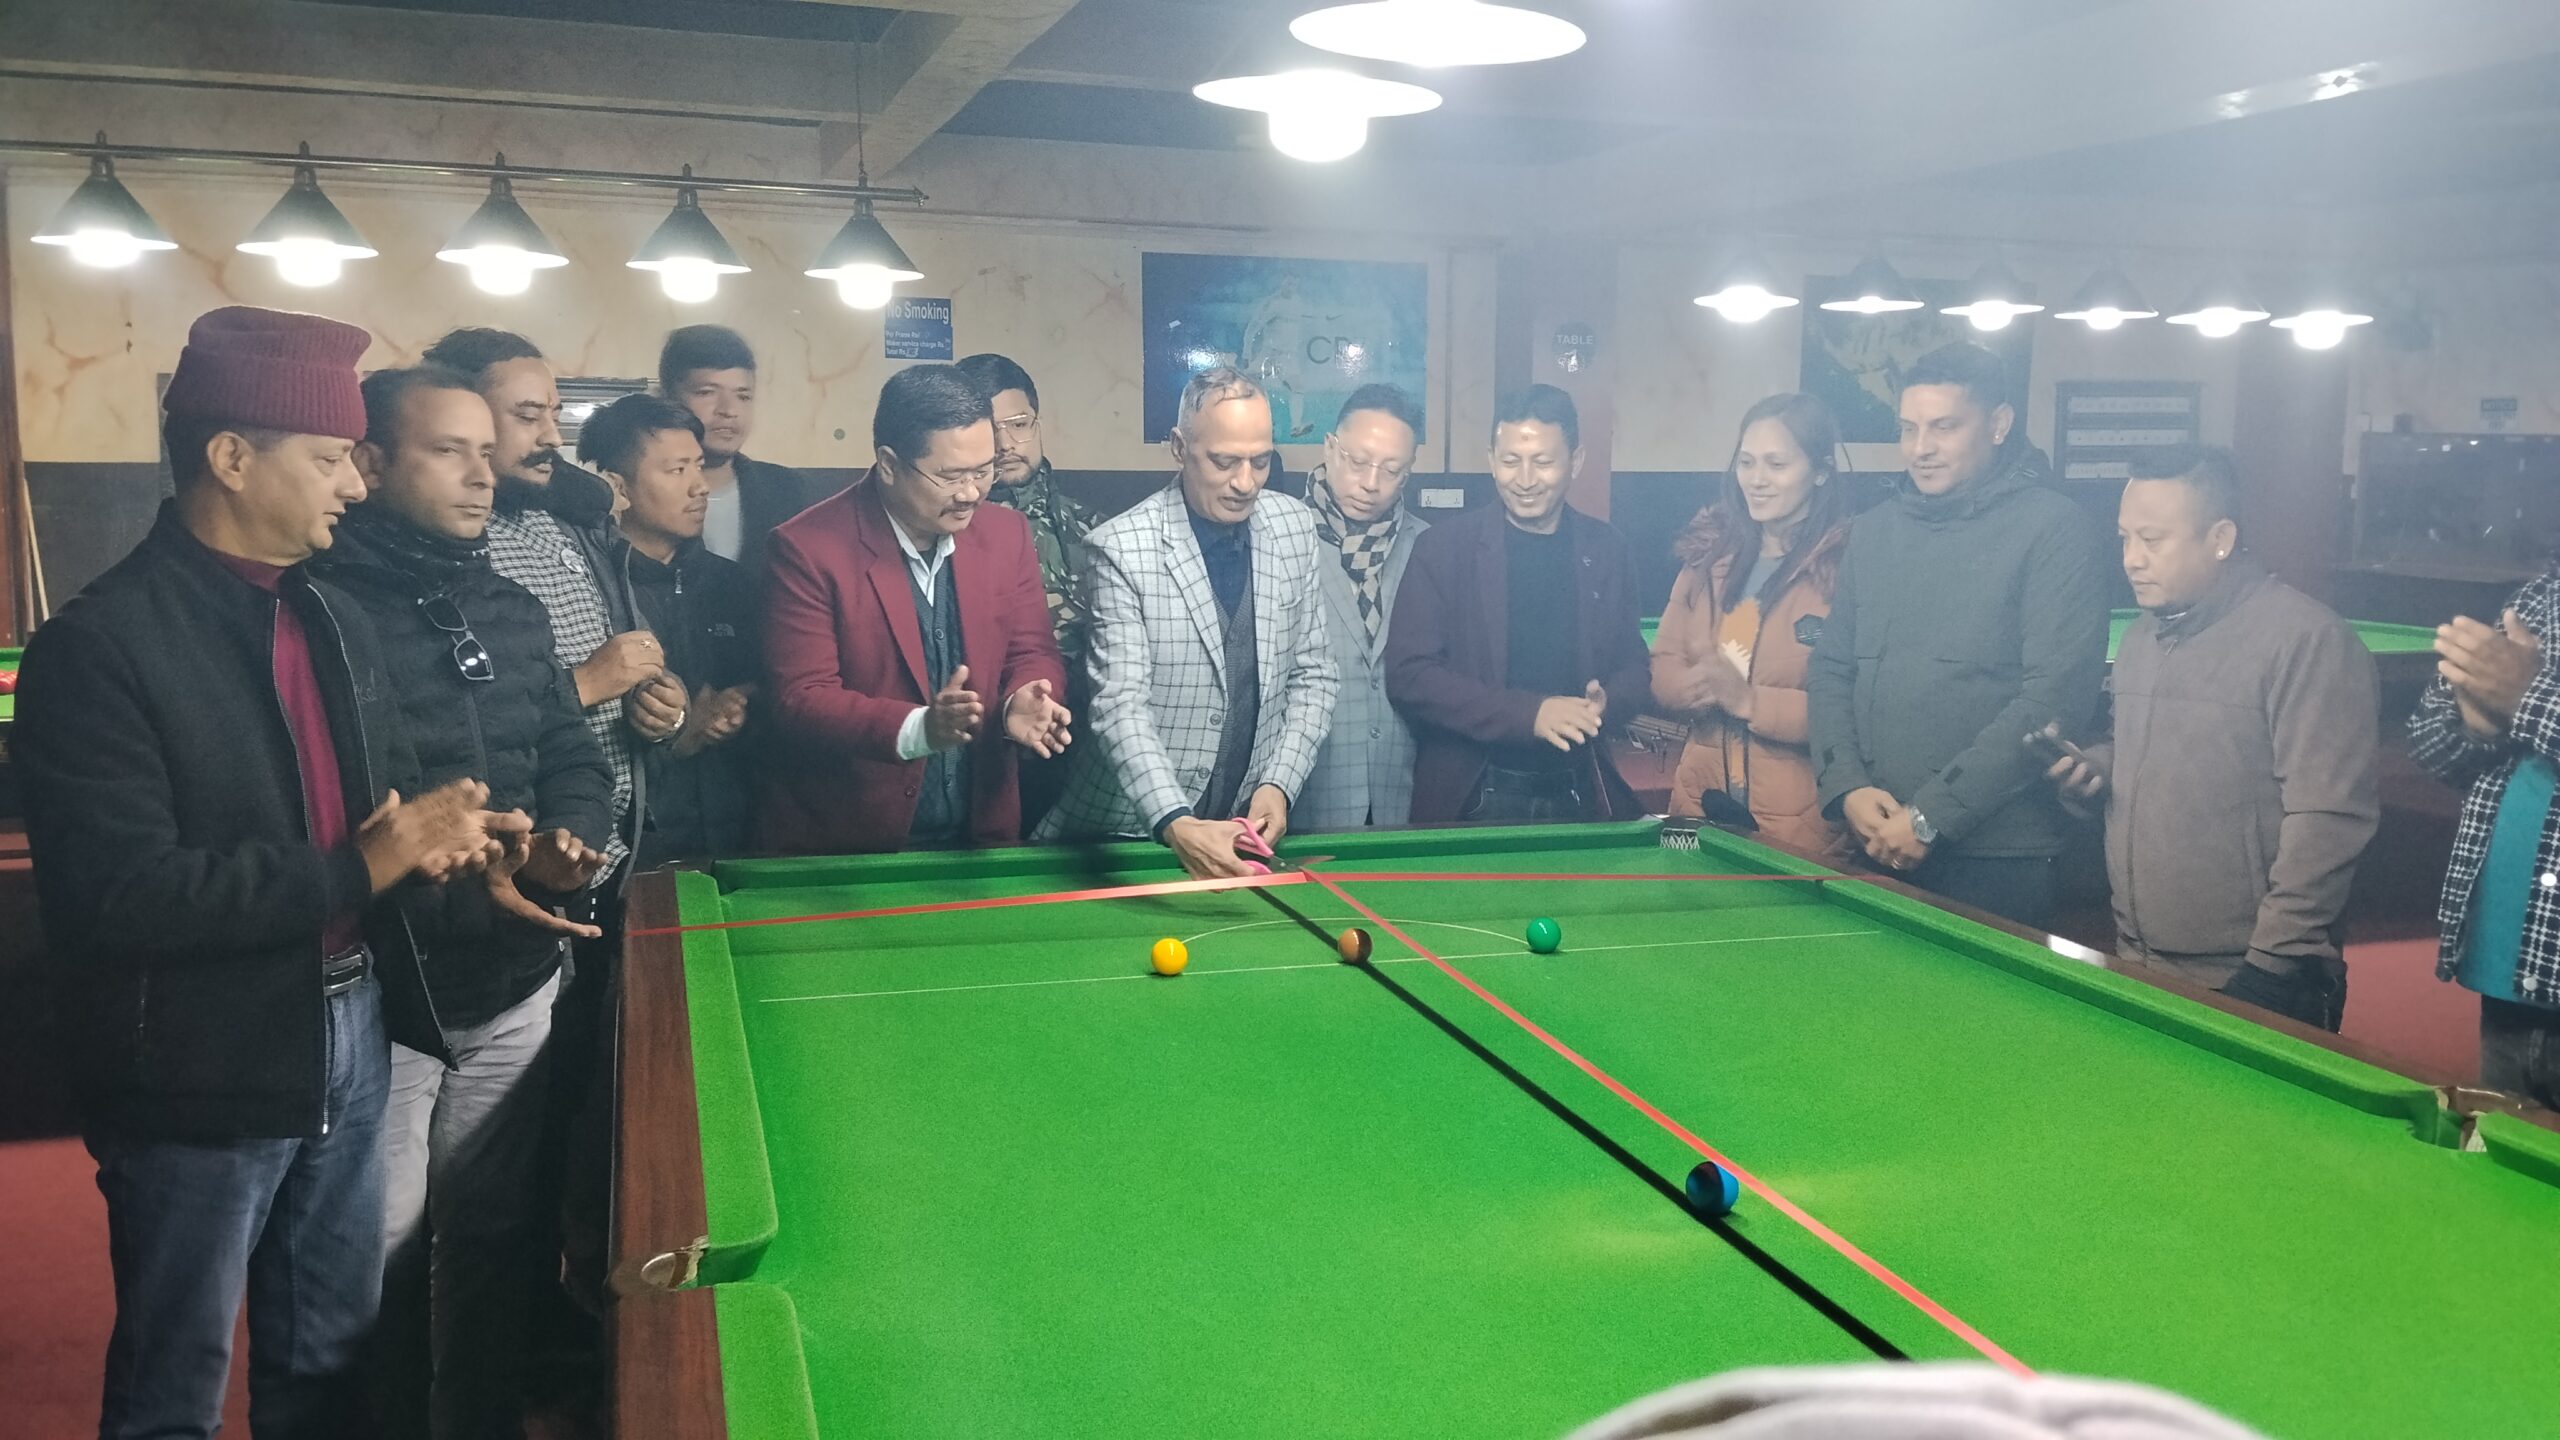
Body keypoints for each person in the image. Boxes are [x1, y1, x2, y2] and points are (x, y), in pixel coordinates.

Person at [17, 307, 519, 1439]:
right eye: (330, 457)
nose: (353, 482)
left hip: (352, 1028)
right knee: (176, 1385)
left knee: (331, 1361)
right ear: (233, 457)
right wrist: (361, 863)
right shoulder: (99, 647)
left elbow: (368, 817)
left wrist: (447, 842)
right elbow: (119, 897)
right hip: (197, 1060)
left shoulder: (326, 614)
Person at [326, 364, 617, 1436]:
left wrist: (567, 842)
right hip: (385, 996)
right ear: (370, 463)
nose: (481, 474)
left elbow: (572, 754)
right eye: (448, 451)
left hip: (515, 980)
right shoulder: (319, 612)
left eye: (485, 451)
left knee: (495, 1245)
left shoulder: (512, 605)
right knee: (381, 1261)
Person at [2043, 446, 2378, 1030]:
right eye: (2124, 539)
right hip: (2138, 957)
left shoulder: (2309, 641)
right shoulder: (2141, 639)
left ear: (2220, 539)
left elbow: (2328, 820)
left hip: (2257, 976)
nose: (2131, 559)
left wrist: (2270, 967)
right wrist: (2096, 766)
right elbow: (2146, 748)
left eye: (2152, 540)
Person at [1806, 342, 2110, 929]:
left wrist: (1930, 817)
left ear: (1998, 425)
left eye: (1944, 427)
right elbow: (1831, 667)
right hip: (1876, 839)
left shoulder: (2056, 529)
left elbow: (2052, 700)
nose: (1920, 447)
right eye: (1909, 428)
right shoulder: (1872, 531)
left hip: (2000, 858)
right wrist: (1846, 786)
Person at [1036, 367, 1338, 877]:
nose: (1246, 482)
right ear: (1179, 447)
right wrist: (1174, 820)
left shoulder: (1295, 526)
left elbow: (1315, 676)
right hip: (1125, 836)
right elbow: (1120, 705)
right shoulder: (1120, 549)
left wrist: (1279, 783)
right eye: (1224, 461)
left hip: (1239, 832)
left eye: (1261, 461)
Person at [761, 365, 1072, 853]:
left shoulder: (1006, 534)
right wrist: (920, 729)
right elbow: (801, 698)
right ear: (889, 464)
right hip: (851, 841)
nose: (971, 493)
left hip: (980, 831)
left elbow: (1032, 650)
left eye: (983, 470)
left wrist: (1022, 698)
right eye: (950, 476)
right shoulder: (807, 547)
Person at [1386, 383, 1650, 823]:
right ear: (1491, 459)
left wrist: (1609, 703)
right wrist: (1530, 715)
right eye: (1510, 461)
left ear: (1575, 461)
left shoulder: (1607, 548)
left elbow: (1635, 667)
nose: (1525, 480)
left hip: (1580, 788)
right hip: (1473, 793)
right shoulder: (1443, 548)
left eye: (1543, 462)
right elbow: (1409, 676)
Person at [1651, 393, 1858, 862]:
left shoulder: (1850, 569)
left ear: (1821, 471)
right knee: (1679, 905)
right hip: (1694, 814)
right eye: (1746, 462)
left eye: (1776, 464)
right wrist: (1690, 687)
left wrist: (1749, 701)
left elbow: (1861, 712)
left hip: (1804, 834)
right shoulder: (1706, 556)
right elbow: (1662, 666)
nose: (1756, 480)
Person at [2408, 557, 2560, 1107]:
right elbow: (2430, 743)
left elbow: (2526, 700)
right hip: (2509, 977)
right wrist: (2481, 727)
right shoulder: (2541, 597)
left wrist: (2528, 697)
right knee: (2508, 1158)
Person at [585, 393, 761, 865]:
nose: (699, 487)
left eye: (698, 466)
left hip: (739, 836)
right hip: (630, 847)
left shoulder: (733, 584)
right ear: (617, 486)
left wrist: (740, 706)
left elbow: (772, 683)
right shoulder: (588, 588)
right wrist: (678, 738)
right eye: (676, 470)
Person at [955, 351, 1094, 831]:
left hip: (1079, 755)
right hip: (978, 756)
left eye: (1018, 424)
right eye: (988, 427)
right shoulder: (943, 527)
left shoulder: (1093, 530)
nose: (1006, 443)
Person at [1295, 383, 1430, 831]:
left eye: (1391, 470)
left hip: (1404, 794)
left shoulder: (1429, 548)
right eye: (1357, 462)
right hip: (1302, 795)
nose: (1371, 483)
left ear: (1407, 473)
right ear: (1329, 447)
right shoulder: (1276, 537)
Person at [658, 324, 823, 576]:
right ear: (667, 398)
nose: (728, 410)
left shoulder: (790, 491)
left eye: (743, 396)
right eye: (706, 393)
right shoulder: (639, 497)